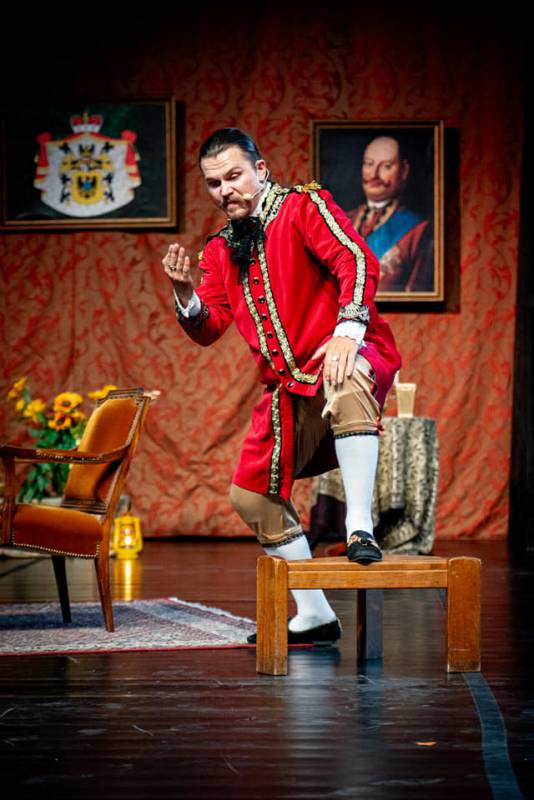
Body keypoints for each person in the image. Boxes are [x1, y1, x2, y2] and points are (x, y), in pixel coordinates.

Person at [163, 128, 401, 645]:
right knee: (251, 496)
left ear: (260, 169)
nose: (225, 190)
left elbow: (356, 260)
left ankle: (359, 528)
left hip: (344, 354)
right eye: (214, 183)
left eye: (234, 176)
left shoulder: (302, 207)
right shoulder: (220, 250)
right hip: (290, 389)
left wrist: (347, 332)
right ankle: (315, 614)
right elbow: (209, 326)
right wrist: (185, 294)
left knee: (346, 373)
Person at [348, 135, 434, 292]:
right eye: (369, 164)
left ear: (404, 170)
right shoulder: (341, 221)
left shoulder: (418, 231)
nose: (373, 174)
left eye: (386, 166)